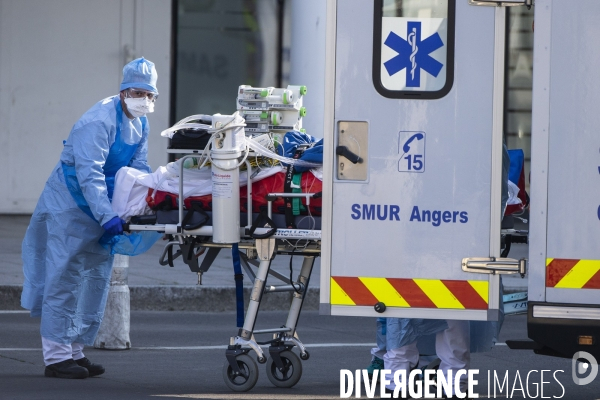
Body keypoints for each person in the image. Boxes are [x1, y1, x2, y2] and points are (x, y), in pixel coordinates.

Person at [21, 57, 158, 379]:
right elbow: (88, 174)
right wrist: (107, 213)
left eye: (151, 96)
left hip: (101, 207)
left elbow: (138, 166)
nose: (146, 101)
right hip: (70, 205)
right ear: (124, 92)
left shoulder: (140, 123)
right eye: (140, 93)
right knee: (63, 276)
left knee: (93, 280)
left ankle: (75, 350)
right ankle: (56, 358)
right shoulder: (98, 121)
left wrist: (149, 196)